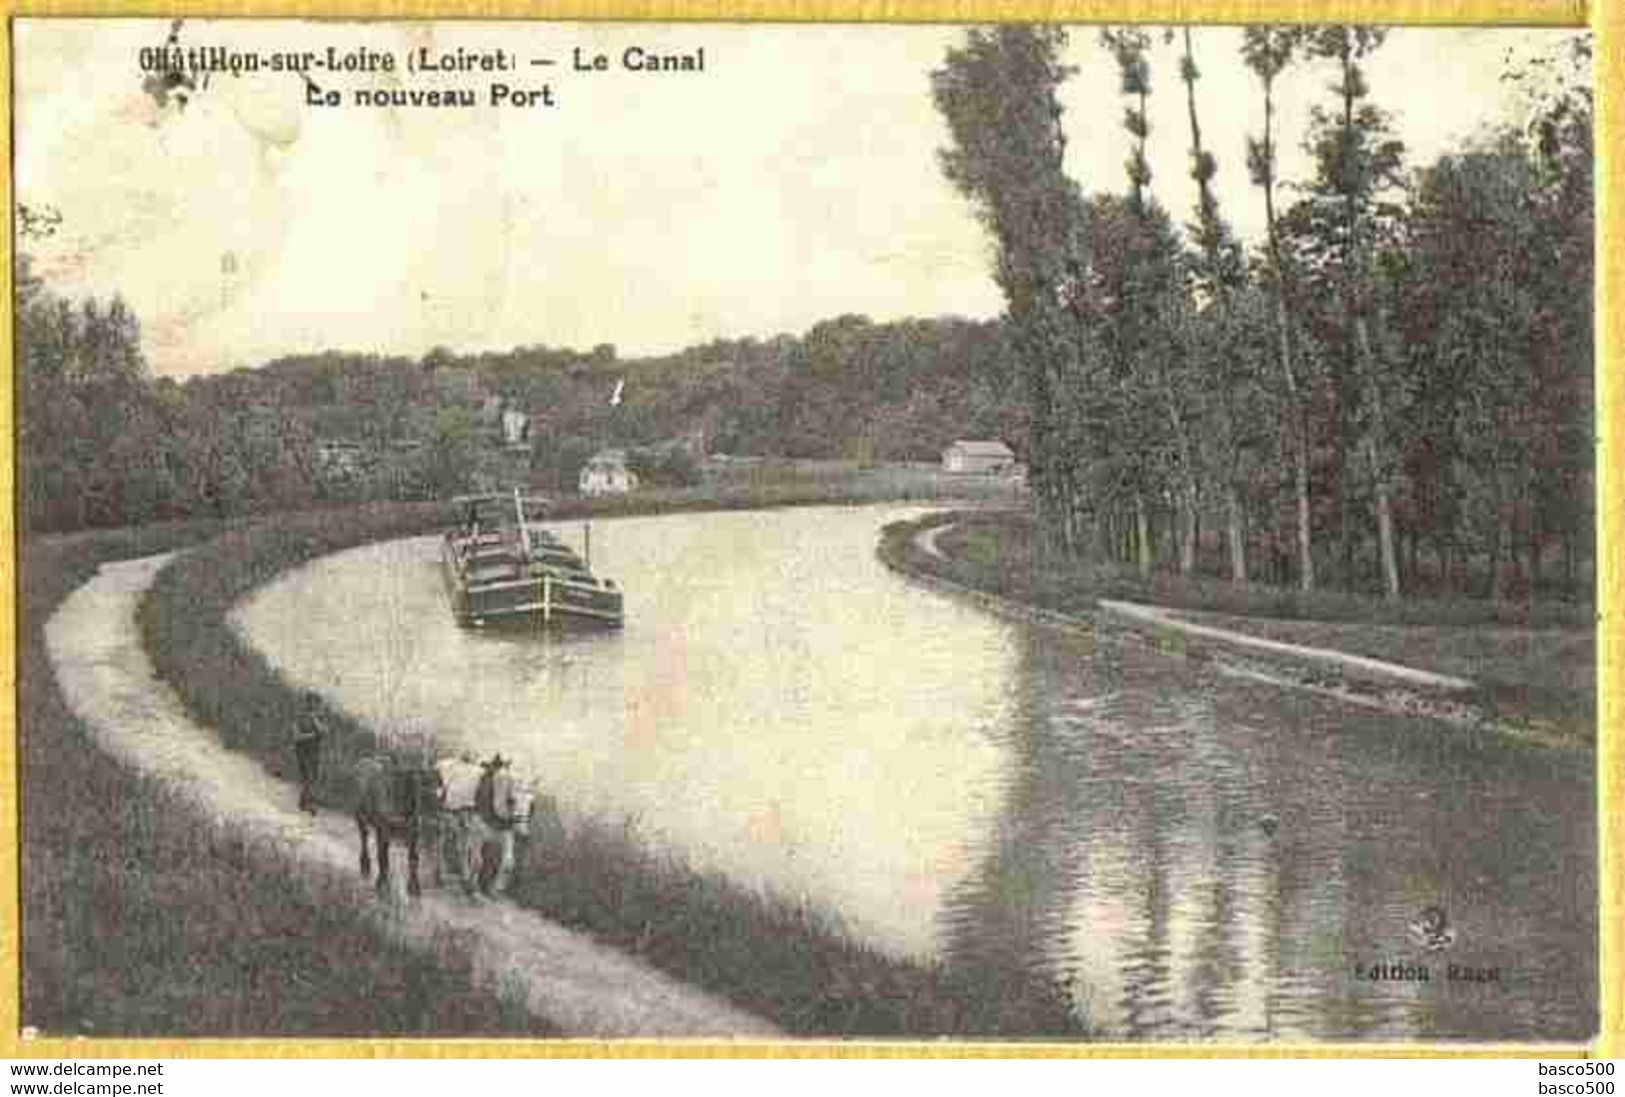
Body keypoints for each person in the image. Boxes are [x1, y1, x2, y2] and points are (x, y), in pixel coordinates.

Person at [293, 691, 326, 814]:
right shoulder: (300, 717)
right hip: (303, 751)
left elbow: (323, 732)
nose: (315, 706)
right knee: (308, 777)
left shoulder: (317, 718)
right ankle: (307, 804)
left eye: (317, 704)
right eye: (313, 703)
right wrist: (312, 735)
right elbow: (296, 736)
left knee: (313, 778)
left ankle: (304, 801)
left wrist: (314, 720)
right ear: (308, 703)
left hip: (314, 752)